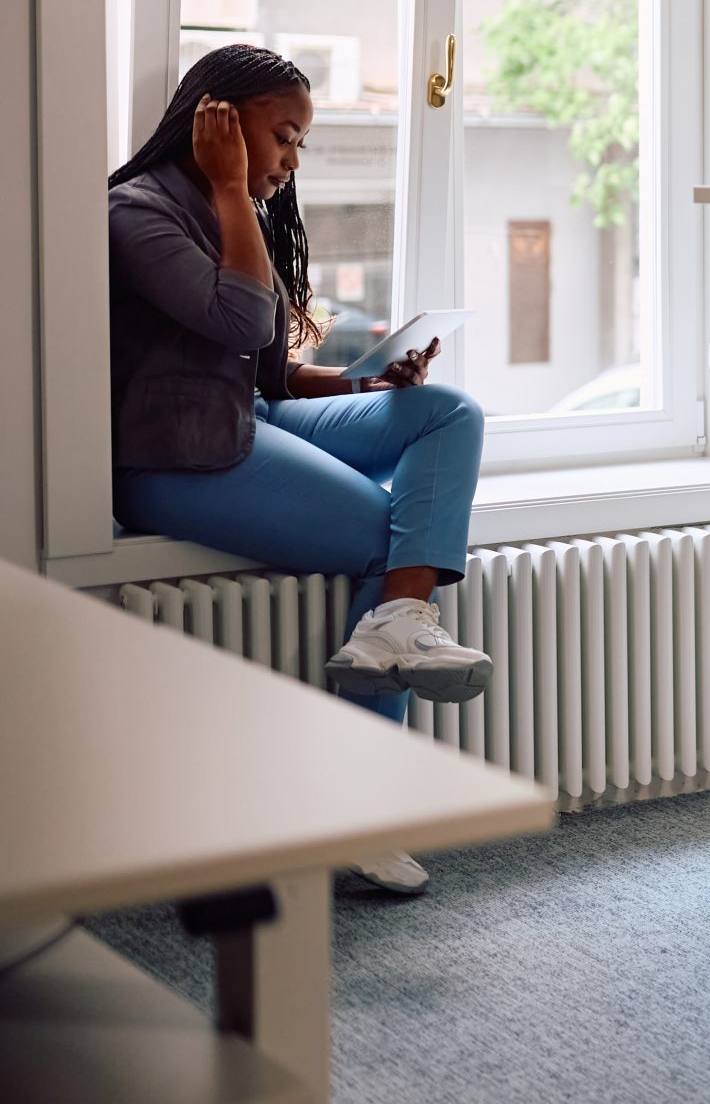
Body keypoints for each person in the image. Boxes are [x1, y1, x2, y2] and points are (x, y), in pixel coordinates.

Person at [109, 44, 492, 895]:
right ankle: (358, 808)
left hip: (243, 417)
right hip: (176, 454)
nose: (290, 160)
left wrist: (366, 377)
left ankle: (393, 624)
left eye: (297, 144)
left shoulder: (224, 208)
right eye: (283, 136)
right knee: (384, 536)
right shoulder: (137, 211)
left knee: (447, 413)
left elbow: (270, 372)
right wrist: (227, 184)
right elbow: (243, 320)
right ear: (217, 119)